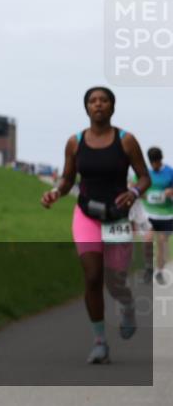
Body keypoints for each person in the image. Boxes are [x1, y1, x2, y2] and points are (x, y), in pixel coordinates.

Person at [41, 86, 151, 364]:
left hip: (116, 217)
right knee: (92, 277)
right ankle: (100, 341)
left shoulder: (126, 141)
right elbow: (67, 179)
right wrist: (56, 192)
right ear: (86, 108)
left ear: (112, 108)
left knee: (115, 282)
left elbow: (144, 177)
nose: (98, 105)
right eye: (93, 101)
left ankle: (126, 305)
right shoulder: (75, 143)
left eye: (104, 101)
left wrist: (135, 192)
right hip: (87, 215)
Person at [141, 147, 173, 285]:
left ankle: (159, 272)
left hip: (167, 215)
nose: (154, 165)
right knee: (147, 239)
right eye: (152, 162)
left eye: (156, 162)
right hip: (149, 213)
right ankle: (148, 268)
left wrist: (170, 191)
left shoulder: (170, 172)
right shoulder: (145, 173)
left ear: (160, 160)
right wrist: (144, 194)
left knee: (162, 244)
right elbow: (134, 186)